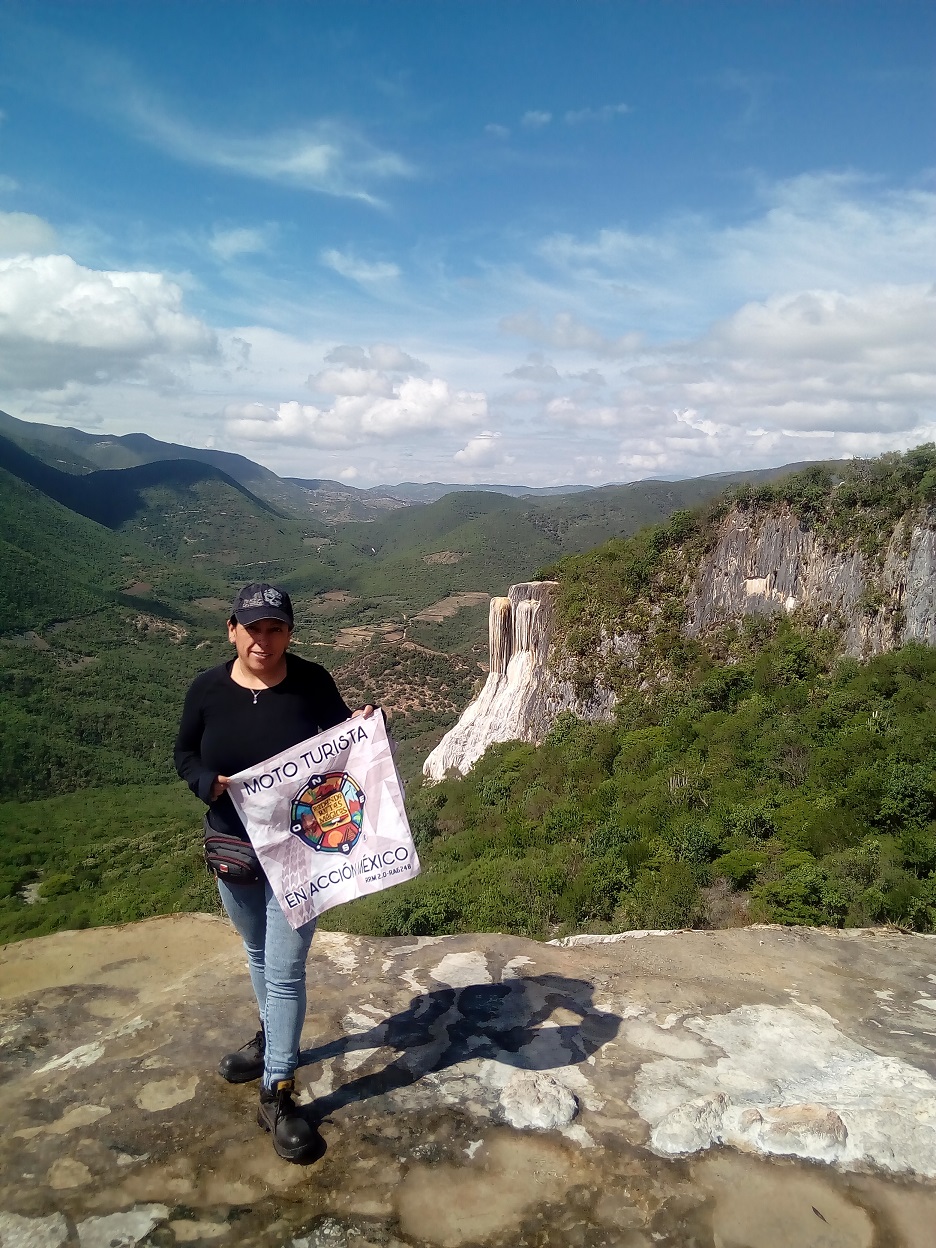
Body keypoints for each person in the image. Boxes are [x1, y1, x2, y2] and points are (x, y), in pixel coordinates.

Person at [174, 582, 373, 1162]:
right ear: (232, 629)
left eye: (275, 629)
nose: (264, 640)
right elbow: (185, 752)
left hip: (298, 851)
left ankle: (278, 1091)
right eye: (253, 628)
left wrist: (361, 725)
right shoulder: (207, 690)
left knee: (285, 971)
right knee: (257, 954)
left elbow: (344, 745)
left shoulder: (311, 681)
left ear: (290, 632)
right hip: (233, 849)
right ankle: (269, 1039)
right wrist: (202, 782)